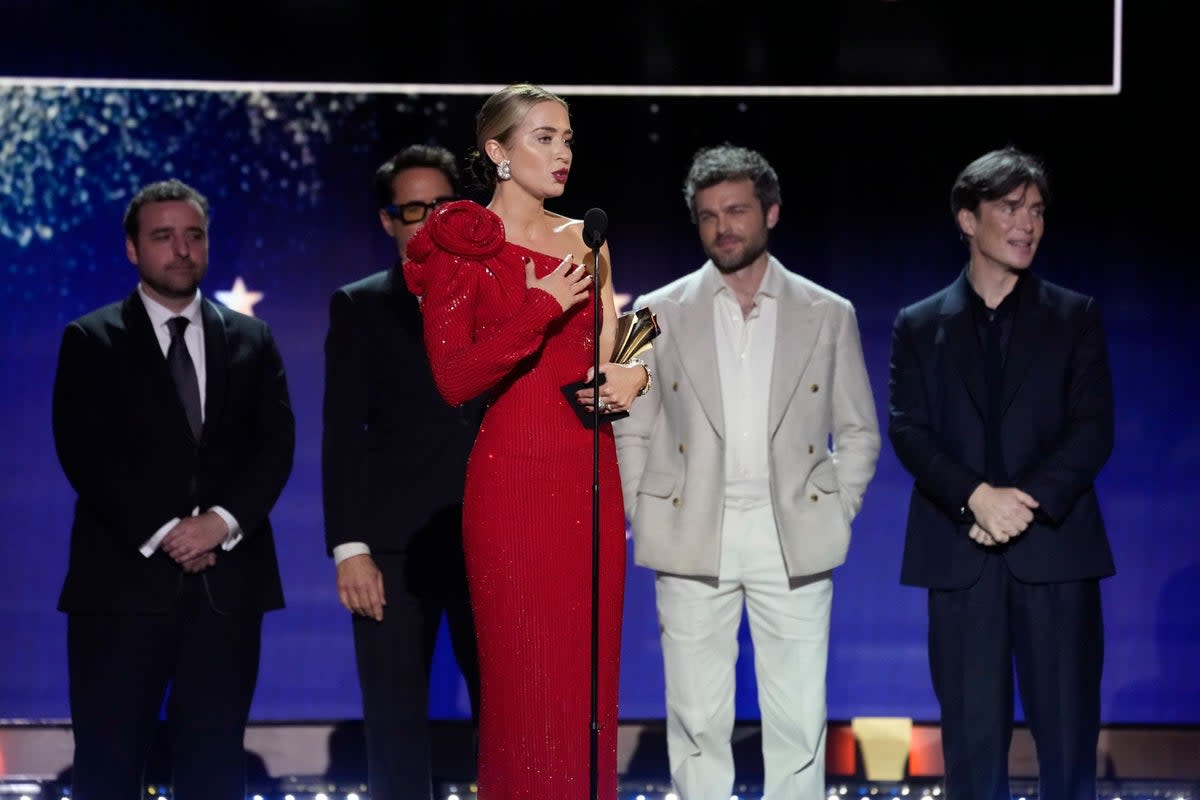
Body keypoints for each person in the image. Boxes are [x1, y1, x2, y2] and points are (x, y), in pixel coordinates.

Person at [402, 82, 650, 799]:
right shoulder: (464, 244)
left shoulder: (586, 238)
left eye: (568, 138)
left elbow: (614, 341)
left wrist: (636, 372)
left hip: (589, 474)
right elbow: (453, 376)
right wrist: (541, 306)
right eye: (543, 137)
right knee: (525, 686)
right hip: (513, 478)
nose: (562, 152)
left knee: (587, 681)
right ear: (497, 152)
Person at [614, 143, 881, 800]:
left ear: (771, 213)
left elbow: (859, 429)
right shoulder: (649, 310)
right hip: (689, 530)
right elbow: (629, 421)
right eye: (707, 216)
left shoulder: (829, 312)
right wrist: (640, 510)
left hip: (791, 534)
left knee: (796, 718)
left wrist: (833, 505)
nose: (721, 228)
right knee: (697, 715)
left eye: (735, 211)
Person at [51, 178, 295, 800]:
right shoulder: (91, 340)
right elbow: (85, 454)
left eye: (194, 236)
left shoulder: (251, 338)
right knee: (108, 766)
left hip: (227, 592)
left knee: (215, 769)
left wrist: (220, 523)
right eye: (163, 237)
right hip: (120, 592)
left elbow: (276, 447)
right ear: (133, 249)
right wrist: (168, 533)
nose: (182, 250)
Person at [887, 145, 1115, 800]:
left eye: (1037, 210)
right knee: (970, 746)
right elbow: (910, 430)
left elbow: (1093, 429)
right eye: (1009, 208)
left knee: (1068, 745)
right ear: (967, 218)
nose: (1027, 224)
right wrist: (977, 499)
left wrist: (1024, 502)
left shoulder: (1076, 316)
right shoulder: (919, 324)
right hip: (960, 557)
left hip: (1057, 552)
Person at [321, 143, 482, 800]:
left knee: (511, 720)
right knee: (393, 728)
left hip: (490, 539)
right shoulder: (359, 307)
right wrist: (350, 549)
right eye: (411, 209)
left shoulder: (505, 298)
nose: (428, 220)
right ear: (390, 221)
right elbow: (341, 435)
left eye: (440, 205)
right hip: (390, 552)